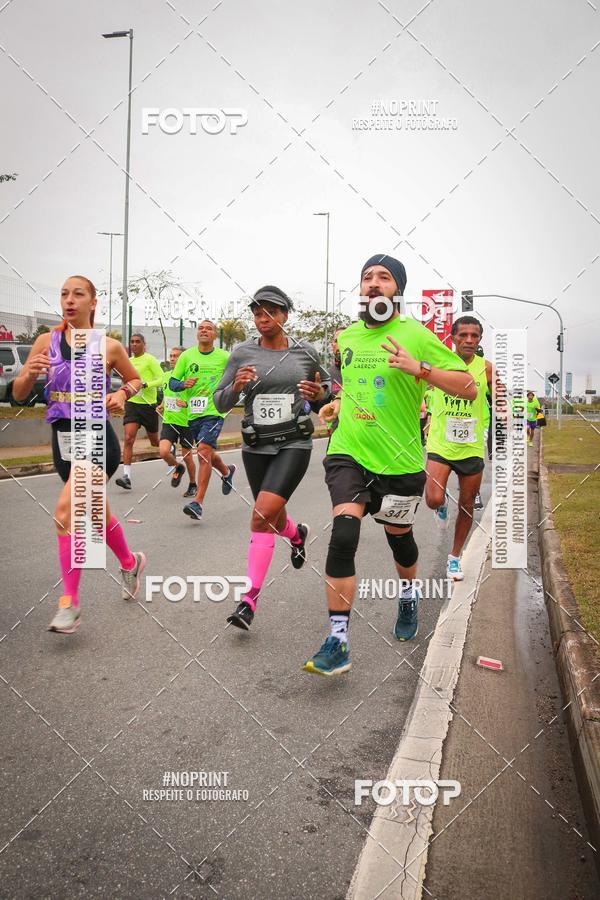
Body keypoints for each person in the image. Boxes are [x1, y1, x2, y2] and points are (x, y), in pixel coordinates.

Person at [303, 255, 476, 676]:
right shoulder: (346, 338)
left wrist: (420, 369)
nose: (374, 283)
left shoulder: (415, 334)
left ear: (397, 289)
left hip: (398, 462)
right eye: (366, 277)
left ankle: (408, 594)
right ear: (360, 289)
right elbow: (350, 386)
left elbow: (468, 387)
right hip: (349, 452)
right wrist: (335, 403)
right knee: (344, 535)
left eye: (384, 277)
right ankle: (338, 640)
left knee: (400, 541)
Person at [12, 276, 146, 634]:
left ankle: (69, 605)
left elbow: (135, 382)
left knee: (64, 513)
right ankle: (131, 563)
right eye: (64, 294)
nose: (69, 300)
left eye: (78, 294)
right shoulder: (46, 341)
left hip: (97, 439)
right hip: (63, 443)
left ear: (93, 302)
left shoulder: (109, 346)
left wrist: (122, 396)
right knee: (97, 514)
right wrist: (28, 374)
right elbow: (20, 393)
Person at [213, 285, 331, 631]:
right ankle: (295, 536)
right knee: (270, 516)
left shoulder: (305, 353)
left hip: (293, 443)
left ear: (284, 316)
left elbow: (326, 391)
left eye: (270, 311)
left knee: (260, 514)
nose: (262, 318)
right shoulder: (241, 353)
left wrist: (318, 393)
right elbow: (219, 402)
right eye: (257, 311)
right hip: (256, 445)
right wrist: (236, 386)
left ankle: (248, 601)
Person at [425, 316, 496, 580]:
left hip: (471, 446)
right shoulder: (439, 363)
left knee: (467, 505)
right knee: (433, 498)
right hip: (441, 443)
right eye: (463, 335)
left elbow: (501, 399)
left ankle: (454, 558)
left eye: (474, 336)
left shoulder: (487, 369)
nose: (468, 340)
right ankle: (440, 506)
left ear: (479, 340)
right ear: (452, 338)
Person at [168, 320, 234, 520]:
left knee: (203, 452)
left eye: (209, 328)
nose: (204, 330)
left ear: (214, 335)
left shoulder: (225, 357)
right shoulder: (187, 356)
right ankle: (226, 471)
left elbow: (235, 379)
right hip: (193, 413)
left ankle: (198, 502)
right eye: (201, 328)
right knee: (207, 452)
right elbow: (172, 383)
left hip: (215, 410)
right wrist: (183, 384)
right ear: (197, 334)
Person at [116, 333, 164, 490]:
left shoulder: (150, 360)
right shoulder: (128, 362)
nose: (134, 344)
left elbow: (162, 379)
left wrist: (146, 384)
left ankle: (168, 448)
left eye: (138, 342)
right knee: (129, 438)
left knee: (154, 442)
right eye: (132, 342)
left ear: (144, 344)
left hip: (148, 405)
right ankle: (126, 476)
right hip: (132, 404)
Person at [157, 346, 196, 496]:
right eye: (171, 356)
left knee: (188, 456)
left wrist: (187, 404)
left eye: (176, 356)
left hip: (187, 423)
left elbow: (200, 399)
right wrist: (161, 405)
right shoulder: (167, 376)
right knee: (163, 451)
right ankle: (177, 467)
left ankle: (193, 484)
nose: (172, 359)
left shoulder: (190, 378)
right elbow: (168, 395)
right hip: (170, 420)